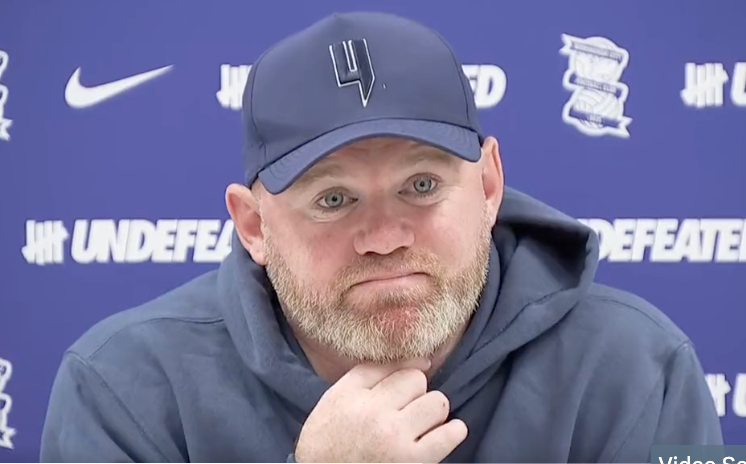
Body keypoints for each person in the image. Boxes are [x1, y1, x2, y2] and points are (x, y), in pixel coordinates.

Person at [40, 11, 723, 463]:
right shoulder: (122, 388)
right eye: (333, 199)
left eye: (421, 185)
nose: (384, 237)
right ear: (253, 225)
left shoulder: (639, 368)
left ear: (489, 185)